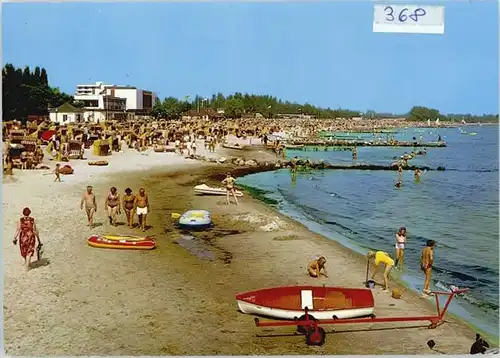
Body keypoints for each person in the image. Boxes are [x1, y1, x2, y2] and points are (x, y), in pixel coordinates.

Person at [12, 207, 42, 271]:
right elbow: (35, 230)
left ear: (23, 213)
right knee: (29, 252)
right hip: (31, 237)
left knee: (24, 251)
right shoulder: (32, 220)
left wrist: (15, 238)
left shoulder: (21, 220)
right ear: (29, 213)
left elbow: (18, 230)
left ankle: (27, 263)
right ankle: (27, 267)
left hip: (23, 237)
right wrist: (39, 240)